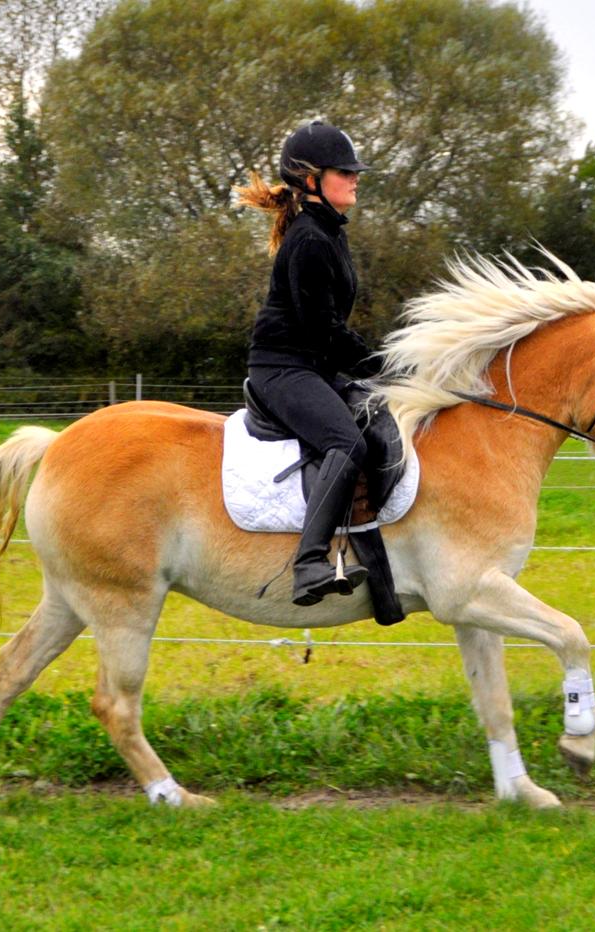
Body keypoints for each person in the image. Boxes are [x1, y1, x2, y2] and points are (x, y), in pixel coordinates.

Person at [237, 120, 382, 607]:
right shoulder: (311, 241)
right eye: (345, 171)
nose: (356, 177)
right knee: (346, 443)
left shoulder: (329, 233)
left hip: (311, 365)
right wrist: (382, 363)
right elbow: (326, 331)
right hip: (283, 369)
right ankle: (308, 564)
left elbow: (330, 333)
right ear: (311, 180)